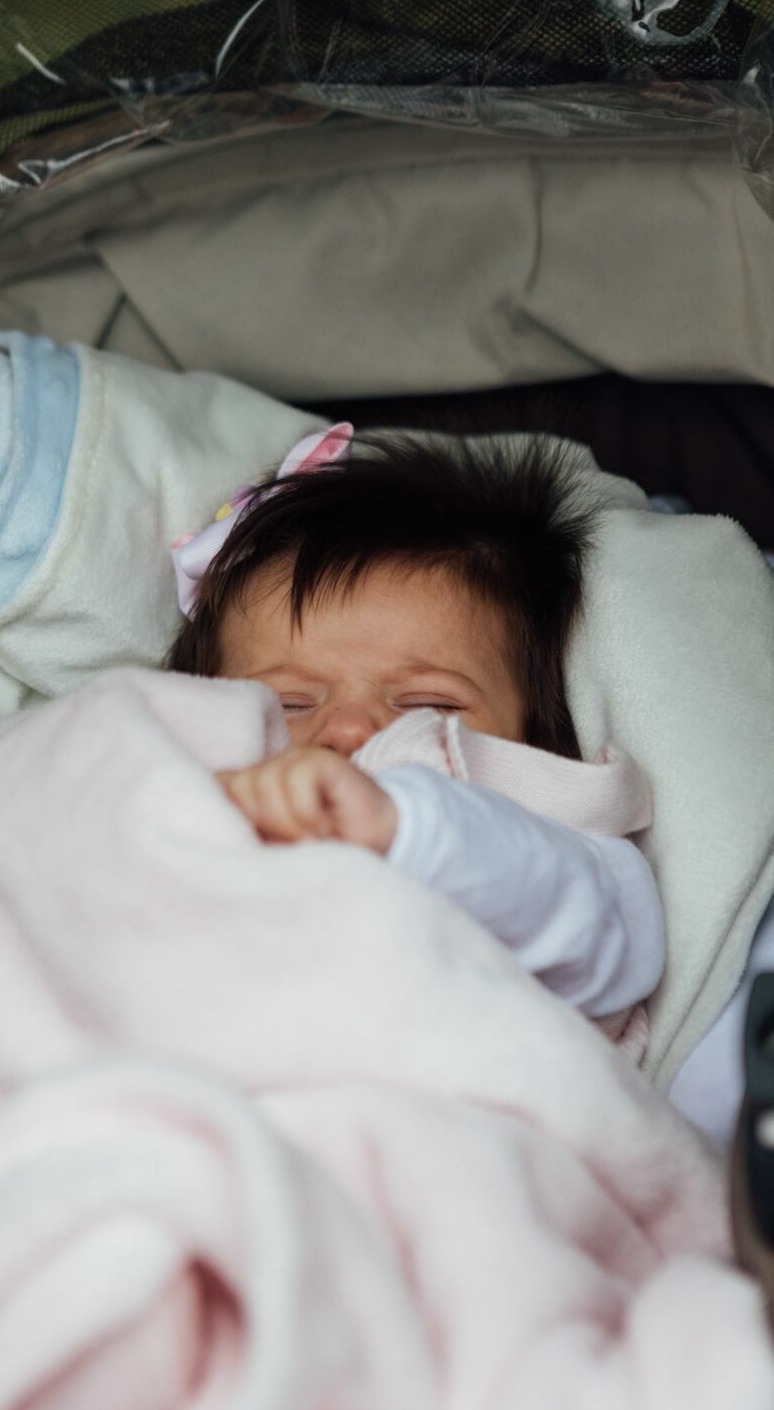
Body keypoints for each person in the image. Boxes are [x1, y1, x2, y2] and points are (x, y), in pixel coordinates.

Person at [166, 423, 665, 1037]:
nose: (350, 730)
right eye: (289, 703)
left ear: (537, 739)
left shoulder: (553, 840)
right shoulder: (180, 805)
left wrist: (412, 826)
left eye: (427, 704)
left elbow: (606, 935)